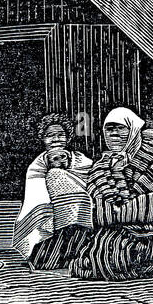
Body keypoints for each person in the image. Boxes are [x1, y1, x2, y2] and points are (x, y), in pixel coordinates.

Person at [69, 109, 153, 282]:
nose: (114, 133)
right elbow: (96, 212)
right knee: (100, 259)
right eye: (109, 129)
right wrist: (116, 211)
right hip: (112, 237)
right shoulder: (99, 167)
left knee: (116, 258)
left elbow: (151, 210)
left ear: (133, 130)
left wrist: (114, 212)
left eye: (120, 128)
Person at [13, 113, 95, 270]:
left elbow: (91, 179)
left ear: (68, 137)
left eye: (60, 135)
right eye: (50, 135)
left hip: (82, 218)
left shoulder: (81, 160)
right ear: (43, 139)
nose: (56, 139)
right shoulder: (37, 165)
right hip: (53, 220)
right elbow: (35, 194)